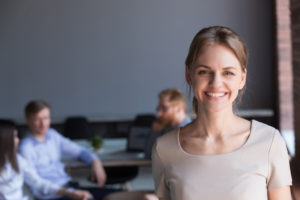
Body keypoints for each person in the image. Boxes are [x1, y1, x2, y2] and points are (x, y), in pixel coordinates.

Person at [152, 26, 292, 200]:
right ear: (189, 75)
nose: (216, 83)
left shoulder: (269, 142)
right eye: (204, 71)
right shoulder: (164, 149)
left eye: (228, 73)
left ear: (242, 79)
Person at [19, 100, 118, 200]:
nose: (43, 123)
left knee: (118, 195)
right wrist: (69, 193)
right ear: (27, 120)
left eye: (46, 118)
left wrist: (95, 162)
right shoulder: (25, 148)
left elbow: (79, 151)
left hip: (70, 187)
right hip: (53, 196)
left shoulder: (52, 135)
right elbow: (37, 183)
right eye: (37, 119)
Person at [0, 119, 93, 200]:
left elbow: (39, 183)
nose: (17, 140)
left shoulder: (17, 160)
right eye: (14, 137)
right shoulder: (26, 147)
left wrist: (71, 193)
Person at [144, 88, 192, 159]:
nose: (159, 113)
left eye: (164, 108)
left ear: (179, 108)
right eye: (158, 108)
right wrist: (154, 133)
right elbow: (148, 155)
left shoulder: (191, 130)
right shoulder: (164, 128)